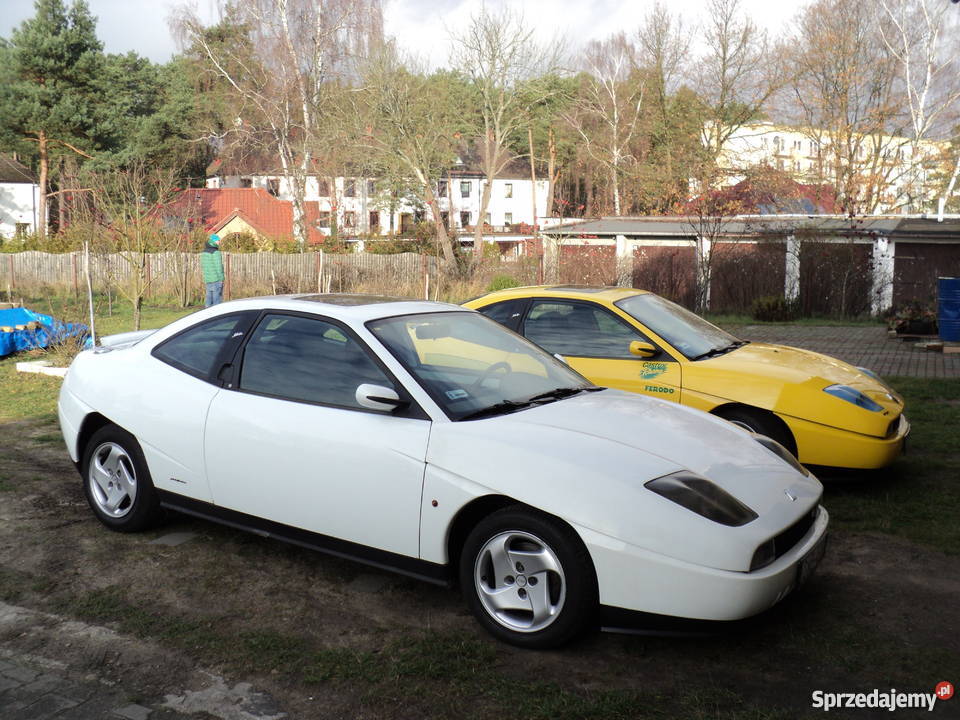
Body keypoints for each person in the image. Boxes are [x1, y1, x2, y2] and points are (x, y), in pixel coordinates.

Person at [201, 233, 225, 307]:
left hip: (207, 280)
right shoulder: (216, 252)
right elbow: (219, 267)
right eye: (218, 241)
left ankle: (207, 316)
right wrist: (222, 279)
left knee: (208, 301)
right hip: (216, 280)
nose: (219, 242)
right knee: (217, 303)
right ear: (213, 241)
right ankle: (217, 317)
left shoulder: (204, 252)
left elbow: (204, 267)